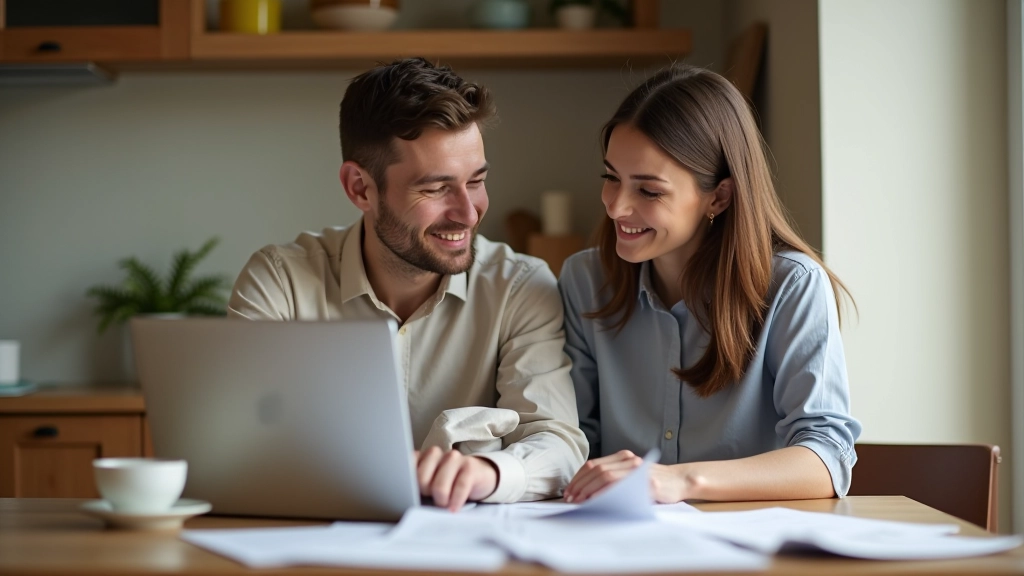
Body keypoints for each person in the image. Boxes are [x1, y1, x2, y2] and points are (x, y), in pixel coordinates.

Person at [228, 57, 587, 511]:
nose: (468, 212)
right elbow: (239, 444)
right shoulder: (279, 283)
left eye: (476, 181)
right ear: (360, 188)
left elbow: (556, 441)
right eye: (436, 189)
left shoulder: (519, 287)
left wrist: (490, 473)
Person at [559, 64, 861, 504]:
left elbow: (826, 457)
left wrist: (679, 481)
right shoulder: (584, 281)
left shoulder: (792, 286)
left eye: (649, 191)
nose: (616, 207)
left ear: (718, 196)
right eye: (611, 178)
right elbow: (570, 440)